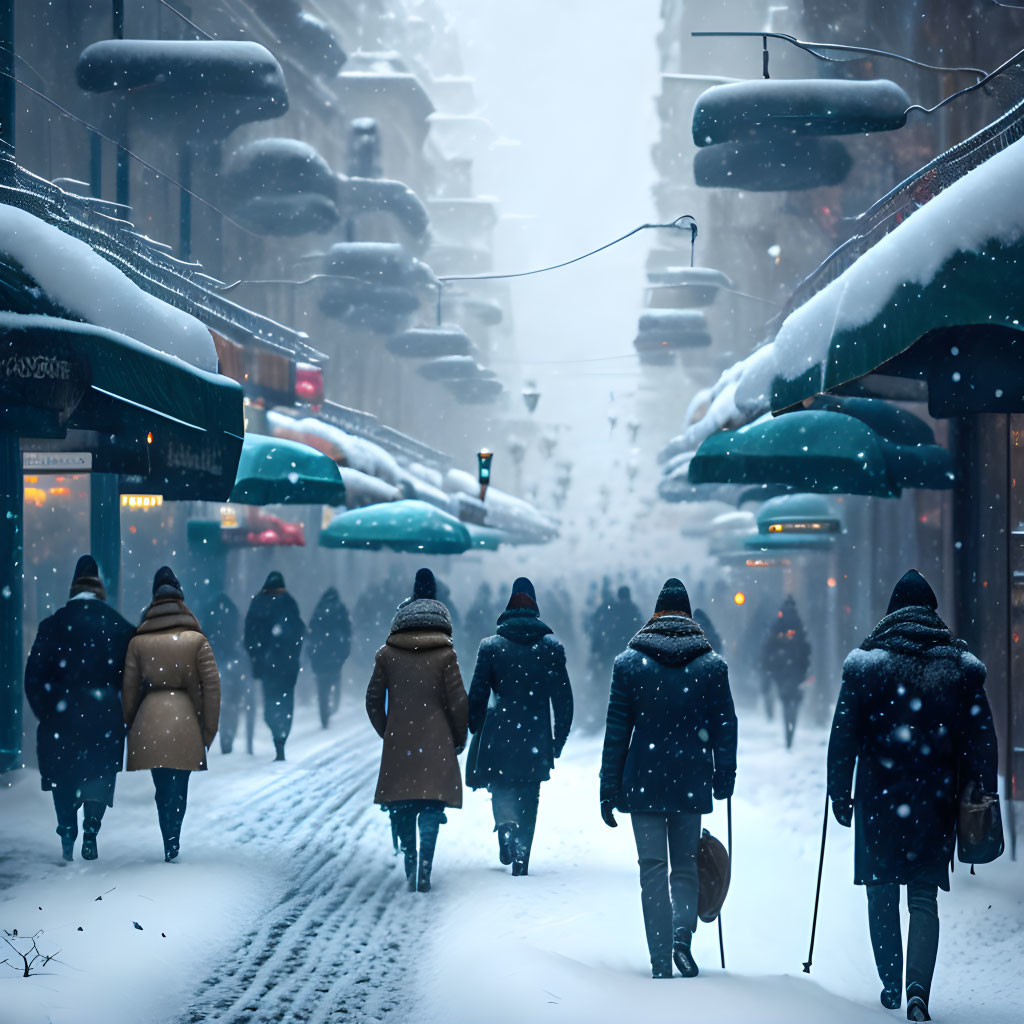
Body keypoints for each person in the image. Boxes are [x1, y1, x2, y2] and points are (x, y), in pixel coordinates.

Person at [827, 570, 998, 1022]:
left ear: (891, 613)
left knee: (881, 890)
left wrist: (839, 792)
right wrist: (983, 794)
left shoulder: (866, 667)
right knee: (923, 895)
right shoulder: (959, 669)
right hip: (935, 798)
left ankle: (890, 982)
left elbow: (843, 737)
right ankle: (917, 990)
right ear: (933, 613)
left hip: (879, 798)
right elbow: (983, 740)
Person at [600, 578, 737, 979]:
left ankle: (661, 960)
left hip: (643, 778)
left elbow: (617, 731)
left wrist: (609, 787)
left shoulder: (629, 664)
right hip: (690, 778)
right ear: (690, 616)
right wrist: (723, 773)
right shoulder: (711, 667)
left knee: (653, 868)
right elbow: (725, 725)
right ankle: (681, 937)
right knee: (685, 867)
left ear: (654, 614)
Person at [24, 555, 136, 862]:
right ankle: (91, 828)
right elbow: (133, 678)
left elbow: (33, 677)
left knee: (64, 777)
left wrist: (48, 711)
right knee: (98, 773)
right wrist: (122, 713)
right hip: (105, 717)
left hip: (62, 719)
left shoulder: (52, 626)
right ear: (100, 589)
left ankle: (66, 829)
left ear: (73, 589)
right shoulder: (119, 627)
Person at [366, 568, 468, 893]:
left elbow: (372, 700)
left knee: (403, 804)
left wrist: (388, 730)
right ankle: (426, 864)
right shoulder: (446, 656)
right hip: (437, 742)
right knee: (431, 805)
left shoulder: (387, 655)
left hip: (400, 743)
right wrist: (457, 736)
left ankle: (410, 860)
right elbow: (458, 702)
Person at [466, 578, 574, 875]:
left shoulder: (490, 647)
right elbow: (563, 699)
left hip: (500, 732)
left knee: (501, 785)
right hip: (536, 734)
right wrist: (558, 739)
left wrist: (473, 725)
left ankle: (506, 828)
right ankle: (522, 856)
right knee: (530, 793)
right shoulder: (551, 648)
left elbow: (477, 694)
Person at [122, 567, 220, 862]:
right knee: (180, 784)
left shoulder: (138, 642)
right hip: (186, 721)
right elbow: (212, 687)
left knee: (162, 785)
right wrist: (208, 730)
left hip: (150, 719)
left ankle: (168, 833)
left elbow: (129, 689)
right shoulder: (196, 639)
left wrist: (132, 726)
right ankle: (174, 833)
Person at [244, 571, 305, 760]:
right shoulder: (289, 602)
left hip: (267, 666)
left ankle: (276, 733)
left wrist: (258, 655)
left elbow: (249, 636)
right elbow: (299, 633)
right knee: (286, 703)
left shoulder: (258, 603)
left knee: (270, 702)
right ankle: (281, 739)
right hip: (286, 667)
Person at [201, 591, 253, 755]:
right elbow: (239, 636)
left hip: (215, 660)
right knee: (232, 703)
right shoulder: (234, 612)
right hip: (232, 661)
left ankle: (219, 736)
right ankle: (227, 737)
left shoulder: (209, 614)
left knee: (220, 702)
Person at [761, 595, 810, 749]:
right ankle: (791, 730)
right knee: (794, 701)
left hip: (781, 670)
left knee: (785, 701)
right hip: (796, 670)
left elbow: (768, 647)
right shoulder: (798, 622)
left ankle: (788, 733)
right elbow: (805, 648)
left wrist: (771, 665)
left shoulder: (778, 623)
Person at [307, 587, 352, 728]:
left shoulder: (318, 609)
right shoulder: (340, 609)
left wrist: (312, 652)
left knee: (322, 686)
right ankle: (334, 705)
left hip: (321, 654)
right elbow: (348, 630)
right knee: (335, 678)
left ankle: (323, 714)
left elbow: (311, 631)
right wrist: (344, 650)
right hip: (336, 653)